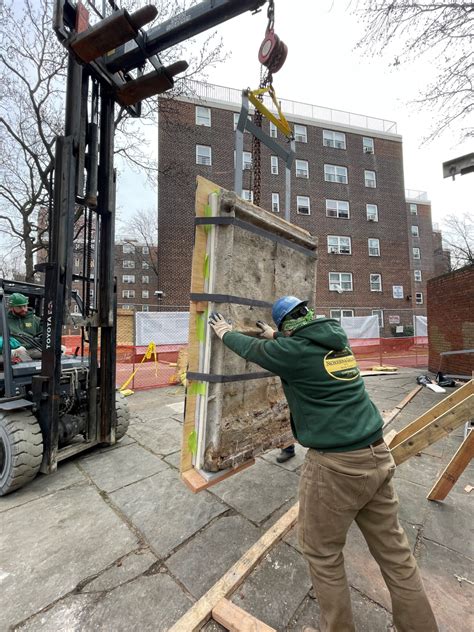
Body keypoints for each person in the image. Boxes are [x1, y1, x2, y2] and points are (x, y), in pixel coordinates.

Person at [209, 297, 438, 632]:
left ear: (288, 326)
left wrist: (226, 331)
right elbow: (301, 348)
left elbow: (253, 351)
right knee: (396, 556)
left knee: (322, 553)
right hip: (376, 454)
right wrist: (275, 335)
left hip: (337, 466)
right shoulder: (336, 341)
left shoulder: (295, 353)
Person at [7, 293, 42, 359]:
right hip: (15, 349)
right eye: (19, 307)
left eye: (25, 306)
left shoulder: (35, 319)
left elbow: (44, 335)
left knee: (60, 349)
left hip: (32, 348)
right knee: (20, 351)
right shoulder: (4, 320)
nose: (24, 309)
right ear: (11, 307)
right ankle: (31, 368)